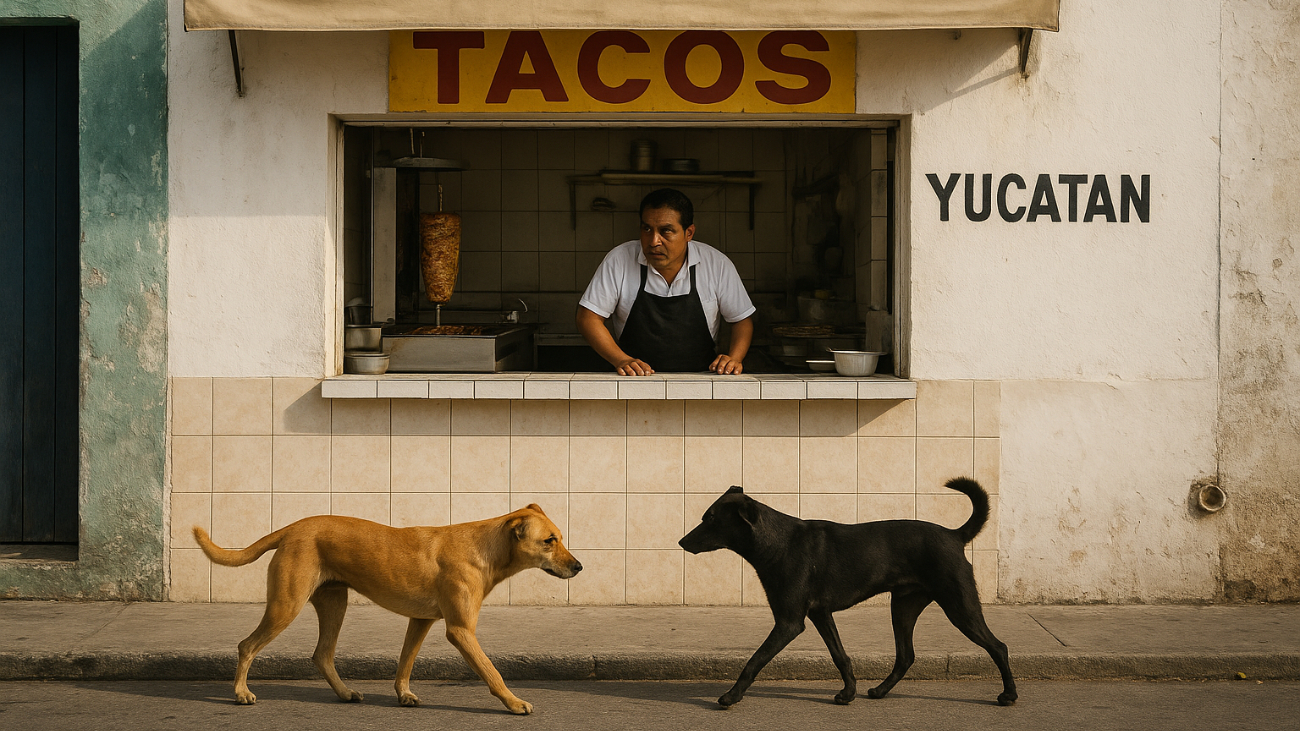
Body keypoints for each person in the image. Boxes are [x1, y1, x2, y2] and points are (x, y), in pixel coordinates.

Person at [577, 188, 755, 375]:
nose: (654, 241)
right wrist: (621, 359)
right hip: (633, 380)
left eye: (666, 231)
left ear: (689, 233)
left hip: (700, 381)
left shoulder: (716, 264)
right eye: (647, 229)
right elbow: (588, 318)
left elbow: (741, 319)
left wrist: (735, 359)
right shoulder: (619, 259)